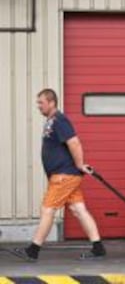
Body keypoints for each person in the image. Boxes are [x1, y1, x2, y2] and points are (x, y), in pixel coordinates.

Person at [12, 88, 106, 262]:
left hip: (64, 175)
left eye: (41, 102)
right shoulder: (51, 121)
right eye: (38, 102)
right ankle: (98, 247)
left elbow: (74, 143)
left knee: (47, 209)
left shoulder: (60, 120)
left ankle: (33, 250)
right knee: (79, 210)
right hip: (65, 174)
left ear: (52, 102)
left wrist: (79, 164)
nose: (38, 106)